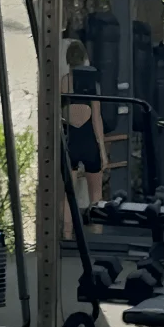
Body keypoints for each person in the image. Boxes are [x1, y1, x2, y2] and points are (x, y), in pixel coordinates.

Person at [61, 41, 107, 240]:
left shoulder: (63, 81)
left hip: (70, 139)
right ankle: (96, 234)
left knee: (67, 194)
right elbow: (97, 118)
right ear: (85, 59)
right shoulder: (91, 82)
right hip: (89, 139)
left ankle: (67, 234)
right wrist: (102, 150)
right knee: (96, 193)